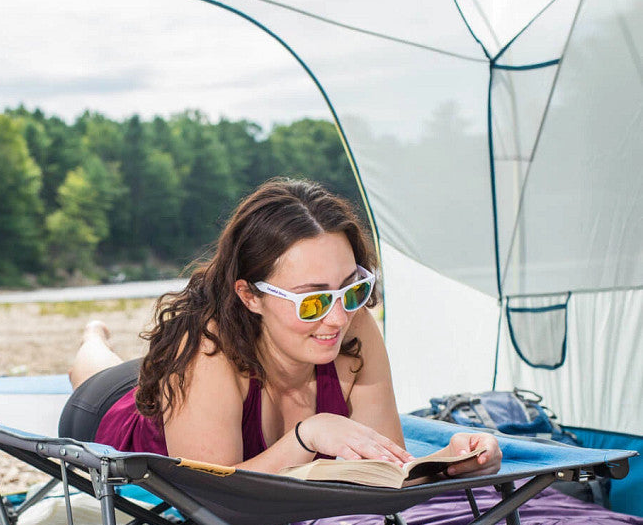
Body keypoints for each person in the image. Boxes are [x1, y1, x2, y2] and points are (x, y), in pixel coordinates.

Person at [61, 178, 501, 477]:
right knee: (98, 370)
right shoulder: (208, 350)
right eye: (312, 300)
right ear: (250, 295)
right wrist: (306, 437)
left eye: (350, 290)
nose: (336, 318)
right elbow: (211, 493)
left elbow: (384, 464)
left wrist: (449, 462)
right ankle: (93, 336)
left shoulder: (353, 321)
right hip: (108, 413)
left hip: (186, 389)